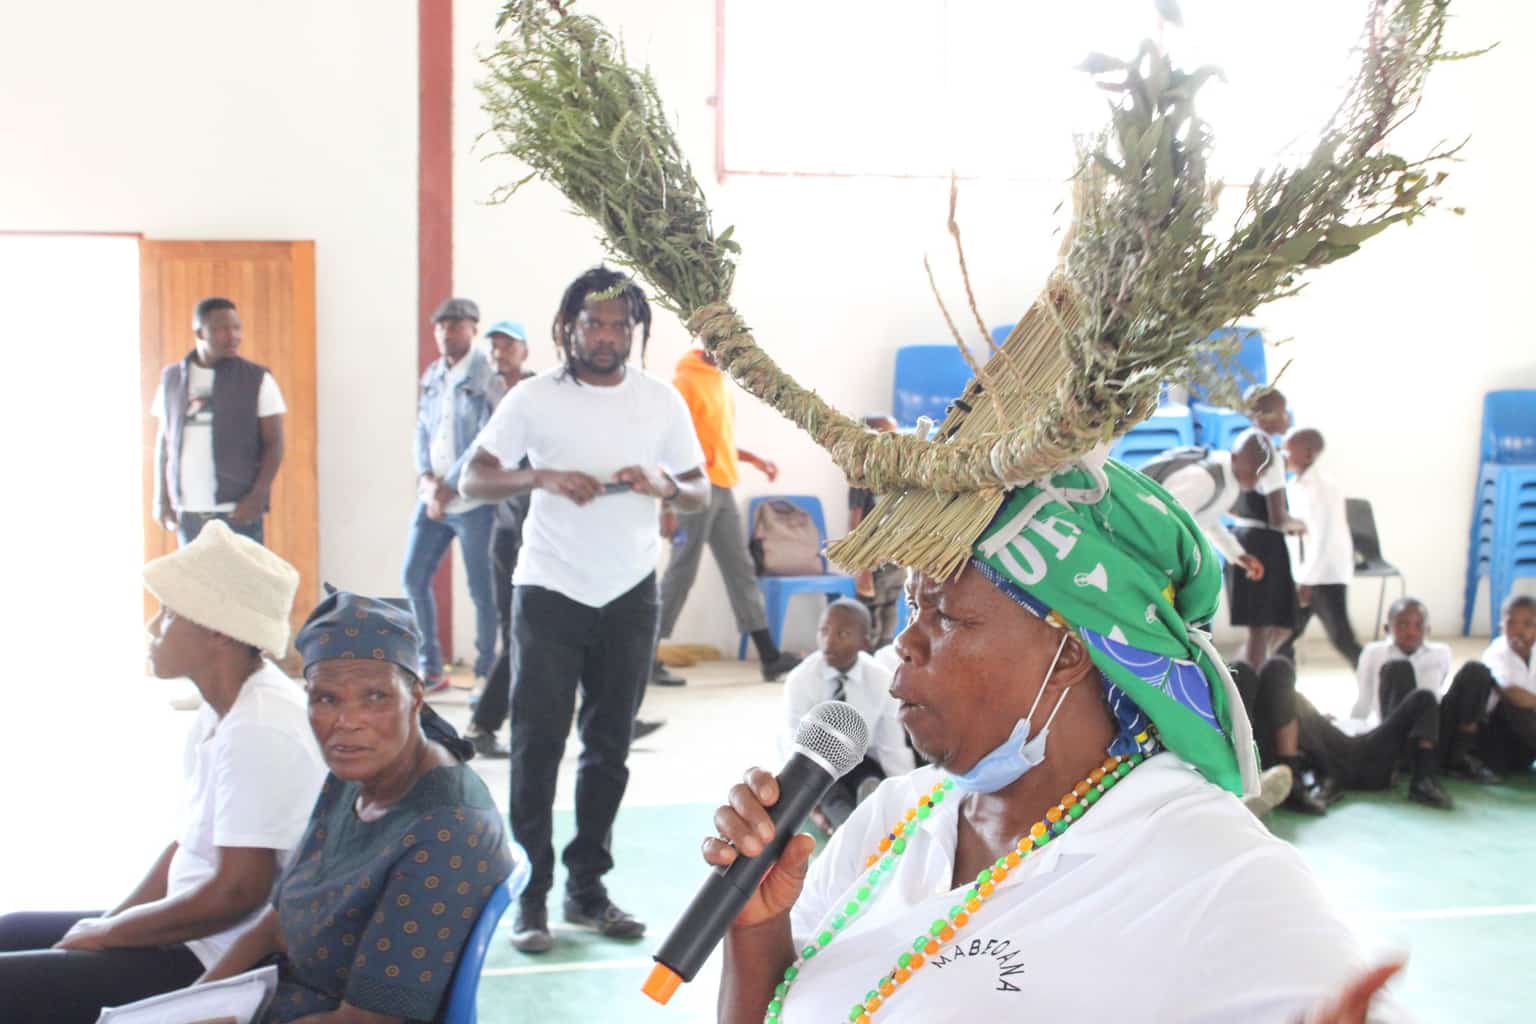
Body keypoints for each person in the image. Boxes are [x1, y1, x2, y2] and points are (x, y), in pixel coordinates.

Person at [703, 460, 1410, 1022]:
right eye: (913, 608)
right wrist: (754, 926)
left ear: (1072, 650)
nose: (906, 643)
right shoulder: (894, 816)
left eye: (947, 615)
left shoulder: (1208, 864)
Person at [460, 266, 709, 954]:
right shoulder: (535, 399)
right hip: (548, 588)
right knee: (538, 744)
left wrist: (662, 482)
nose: (604, 336)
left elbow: (699, 493)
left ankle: (587, 888)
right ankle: (531, 893)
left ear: (636, 331)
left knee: (609, 747)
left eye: (618, 324)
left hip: (630, 592)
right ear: (568, 327)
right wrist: (539, 476)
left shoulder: (660, 401)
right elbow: (473, 477)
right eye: (592, 323)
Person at [0, 522, 325, 1023]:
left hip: (214, 959)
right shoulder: (224, 709)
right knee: (13, 929)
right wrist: (109, 922)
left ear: (218, 629)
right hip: (188, 932)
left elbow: (239, 894)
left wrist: (110, 936)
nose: (154, 627)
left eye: (170, 613)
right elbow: (186, 847)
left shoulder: (262, 727)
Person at [190, 588, 517, 1022]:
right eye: (326, 699)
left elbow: (366, 1021)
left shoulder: (448, 831)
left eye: (376, 697)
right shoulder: (355, 773)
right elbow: (277, 922)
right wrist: (193, 1002)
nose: (347, 722)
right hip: (279, 998)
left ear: (415, 698)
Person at [653, 340, 799, 686]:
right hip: (691, 489)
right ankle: (645, 657)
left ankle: (769, 657)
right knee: (681, 571)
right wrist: (666, 505)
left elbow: (717, 442)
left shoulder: (718, 380)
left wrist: (754, 460)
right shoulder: (684, 382)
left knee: (741, 569)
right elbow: (668, 444)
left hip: (722, 488)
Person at [402, 297, 500, 693]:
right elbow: (421, 431)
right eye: (441, 326)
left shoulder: (486, 378)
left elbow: (484, 440)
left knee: (481, 589)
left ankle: (486, 671)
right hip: (432, 495)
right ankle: (430, 668)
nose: (447, 332)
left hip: (472, 501)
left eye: (456, 325)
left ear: (473, 329)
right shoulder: (432, 374)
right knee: (413, 577)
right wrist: (427, 479)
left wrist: (448, 486)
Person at [152, 297, 286, 546]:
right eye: (223, 329)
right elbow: (163, 443)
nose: (233, 336)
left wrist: (258, 496)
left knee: (243, 585)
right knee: (195, 585)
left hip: (237, 511)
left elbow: (275, 443)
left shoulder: (256, 379)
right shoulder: (172, 380)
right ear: (200, 332)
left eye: (237, 328)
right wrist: (161, 499)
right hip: (188, 512)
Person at [779, 600, 914, 831]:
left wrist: (909, 797)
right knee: (830, 794)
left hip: (862, 759)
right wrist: (801, 800)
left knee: (873, 779)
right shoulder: (801, 680)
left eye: (842, 633)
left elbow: (891, 748)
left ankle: (869, 801)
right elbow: (793, 745)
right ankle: (848, 828)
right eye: (823, 631)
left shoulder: (881, 680)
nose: (828, 641)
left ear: (865, 640)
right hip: (816, 765)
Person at [1353, 598, 1498, 807]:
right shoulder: (1374, 652)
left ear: (1427, 629)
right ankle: (1418, 773)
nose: (1411, 631)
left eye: (1418, 625)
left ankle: (1460, 758)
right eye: (1402, 625)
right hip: (1402, 736)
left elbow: (1439, 692)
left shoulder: (1441, 652)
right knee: (1399, 670)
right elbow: (1364, 699)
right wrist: (1354, 732)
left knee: (1476, 671)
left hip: (1434, 735)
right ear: (1387, 628)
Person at [464, 319, 533, 758]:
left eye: (507, 345)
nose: (499, 353)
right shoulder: (485, 397)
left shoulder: (537, 396)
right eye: (493, 346)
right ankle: (484, 724)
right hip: (509, 534)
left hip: (542, 534)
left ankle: (612, 720)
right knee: (520, 634)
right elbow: (475, 463)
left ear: (525, 350)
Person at [1226, 390, 1307, 667]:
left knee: (1261, 628)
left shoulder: (1243, 441)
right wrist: (1298, 524)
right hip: (1263, 542)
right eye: (1282, 411)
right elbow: (1277, 518)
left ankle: (1244, 674)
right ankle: (1251, 683)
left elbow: (1231, 506)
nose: (1286, 417)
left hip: (1241, 535)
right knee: (1265, 627)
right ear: (1267, 415)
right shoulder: (1268, 452)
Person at [1279, 427, 1363, 666]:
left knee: (1342, 638)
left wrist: (1307, 580)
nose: (1283, 455)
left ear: (1307, 454)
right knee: (1282, 637)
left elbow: (1323, 538)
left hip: (1325, 576)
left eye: (1288, 450)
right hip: (1305, 574)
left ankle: (1378, 682)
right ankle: (1281, 689)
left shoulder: (1323, 488)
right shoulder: (1294, 485)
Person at [1152, 432, 1270, 585]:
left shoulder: (1231, 475)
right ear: (1234, 457)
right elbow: (1166, 521)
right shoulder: (1202, 478)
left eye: (1262, 474)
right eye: (1253, 472)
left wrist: (1236, 554)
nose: (1256, 480)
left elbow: (1207, 519)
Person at [848, 415, 905, 649]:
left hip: (896, 553)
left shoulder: (897, 475)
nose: (893, 441)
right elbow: (856, 520)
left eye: (896, 434)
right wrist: (861, 562)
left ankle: (885, 648)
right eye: (886, 435)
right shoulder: (861, 476)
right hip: (873, 553)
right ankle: (867, 651)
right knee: (872, 604)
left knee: (892, 602)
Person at [1475, 594, 1536, 774]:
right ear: (1501, 626)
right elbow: (1508, 689)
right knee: (1513, 703)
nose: (1519, 631)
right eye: (1511, 624)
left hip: (1527, 741)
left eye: (1527, 624)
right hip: (1498, 734)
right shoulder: (1496, 652)